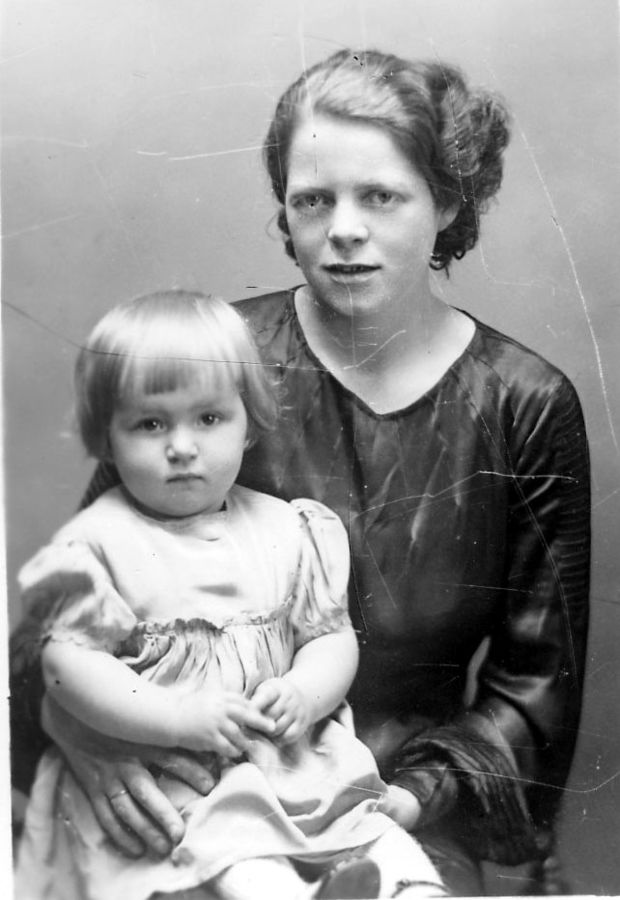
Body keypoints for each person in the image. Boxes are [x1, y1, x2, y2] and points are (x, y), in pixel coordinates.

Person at [10, 49, 591, 896]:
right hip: (189, 777)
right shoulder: (215, 365)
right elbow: (66, 616)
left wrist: (407, 799)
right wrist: (85, 735)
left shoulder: (524, 402)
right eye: (313, 199)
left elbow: (533, 693)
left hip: (404, 796)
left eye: (381, 196)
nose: (342, 228)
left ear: (447, 201)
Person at [14, 291, 445, 900]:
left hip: (290, 761)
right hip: (178, 772)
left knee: (373, 830)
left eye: (209, 419)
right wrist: (175, 717)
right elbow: (65, 664)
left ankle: (413, 888)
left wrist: (305, 691)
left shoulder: (289, 528)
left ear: (248, 425)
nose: (181, 446)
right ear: (107, 438)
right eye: (150, 424)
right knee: (237, 854)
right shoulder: (98, 543)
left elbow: (328, 636)